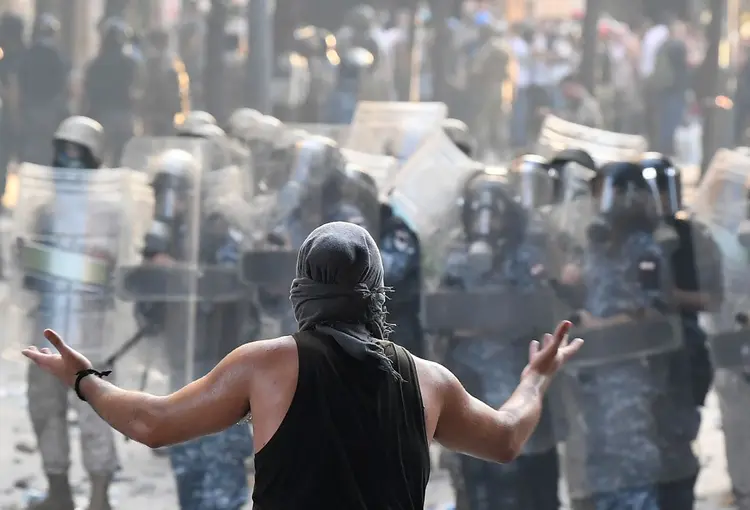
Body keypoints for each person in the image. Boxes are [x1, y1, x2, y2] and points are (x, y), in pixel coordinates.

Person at [23, 221, 583, 510]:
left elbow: (152, 424)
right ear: (376, 293)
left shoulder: (266, 365)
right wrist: (536, 378)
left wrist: (84, 379)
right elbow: (507, 438)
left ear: (302, 291)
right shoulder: (429, 381)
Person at [131, 148, 255, 509]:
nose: (169, 203)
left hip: (220, 364)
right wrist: (151, 275)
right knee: (185, 458)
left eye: (177, 193)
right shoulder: (161, 238)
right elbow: (148, 309)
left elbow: (232, 286)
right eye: (162, 193)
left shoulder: (218, 231)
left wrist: (178, 269)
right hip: (181, 366)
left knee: (219, 457)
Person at [436, 170, 560, 510]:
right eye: (478, 210)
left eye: (494, 210)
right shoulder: (455, 254)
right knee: (475, 476)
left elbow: (530, 311)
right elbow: (443, 312)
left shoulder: (527, 253)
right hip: (469, 377)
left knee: (522, 473)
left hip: (515, 374)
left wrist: (483, 319)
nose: (486, 220)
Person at [20, 116, 119, 510]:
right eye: (64, 153)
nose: (68, 161)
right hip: (48, 321)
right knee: (44, 408)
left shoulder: (110, 211)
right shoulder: (44, 208)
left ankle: (99, 498)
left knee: (97, 407)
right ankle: (58, 491)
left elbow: (102, 269)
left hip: (91, 326)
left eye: (78, 154)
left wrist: (48, 261)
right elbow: (26, 266)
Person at [641, 153, 723, 510]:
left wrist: (671, 298)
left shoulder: (692, 236)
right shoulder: (620, 238)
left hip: (681, 355)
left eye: (662, 191)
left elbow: (713, 298)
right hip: (634, 363)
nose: (656, 200)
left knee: (676, 449)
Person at [83, 17, 142, 166]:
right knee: (121, 159)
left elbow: (88, 91)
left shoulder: (95, 64)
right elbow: (138, 88)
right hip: (124, 116)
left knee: (99, 158)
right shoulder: (130, 63)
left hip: (101, 116)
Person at [17, 13, 70, 165]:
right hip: (51, 108)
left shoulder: (28, 54)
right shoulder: (58, 55)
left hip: (31, 107)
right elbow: (65, 82)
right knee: (49, 148)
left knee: (31, 148)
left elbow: (19, 80)